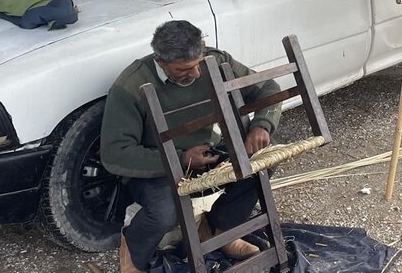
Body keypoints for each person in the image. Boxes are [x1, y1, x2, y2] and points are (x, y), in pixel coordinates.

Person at [100, 20, 282, 273]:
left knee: (262, 161)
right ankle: (132, 249)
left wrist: (262, 125)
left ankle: (220, 231)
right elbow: (115, 153)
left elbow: (268, 88)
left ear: (203, 48)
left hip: (206, 154)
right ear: (160, 60)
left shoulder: (215, 61)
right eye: (183, 69)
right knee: (166, 213)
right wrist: (181, 158)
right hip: (157, 168)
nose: (196, 74)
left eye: (198, 64)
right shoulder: (130, 85)